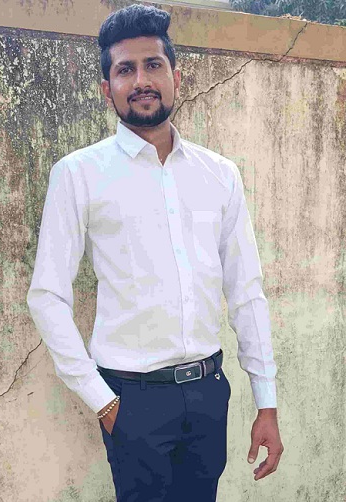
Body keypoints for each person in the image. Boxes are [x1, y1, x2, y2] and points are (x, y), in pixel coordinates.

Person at [26, 4, 284, 501]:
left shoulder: (219, 175)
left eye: (153, 65)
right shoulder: (79, 174)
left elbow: (246, 292)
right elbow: (47, 296)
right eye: (125, 69)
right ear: (107, 89)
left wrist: (266, 401)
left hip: (208, 392)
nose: (141, 80)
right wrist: (103, 402)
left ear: (176, 77)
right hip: (131, 400)